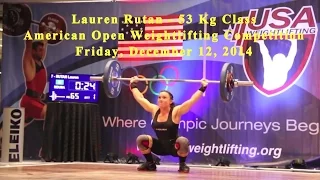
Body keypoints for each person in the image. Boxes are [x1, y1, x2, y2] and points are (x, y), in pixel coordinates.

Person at [130, 76, 208, 173]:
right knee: (141, 139)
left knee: (183, 141)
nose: (160, 99)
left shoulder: (176, 111)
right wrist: (133, 85)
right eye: (159, 97)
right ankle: (150, 164)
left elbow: (191, 101)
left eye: (164, 97)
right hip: (159, 146)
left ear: (171, 101)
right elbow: (140, 98)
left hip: (173, 147)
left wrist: (203, 87)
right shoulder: (154, 110)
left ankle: (182, 165)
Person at [20, 28, 48, 127]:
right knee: (51, 113)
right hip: (29, 102)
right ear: (33, 51)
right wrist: (27, 27)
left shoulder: (40, 62)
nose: (42, 52)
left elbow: (44, 44)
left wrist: (46, 33)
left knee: (16, 128)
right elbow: (28, 45)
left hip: (36, 100)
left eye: (42, 50)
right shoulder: (29, 63)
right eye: (39, 50)